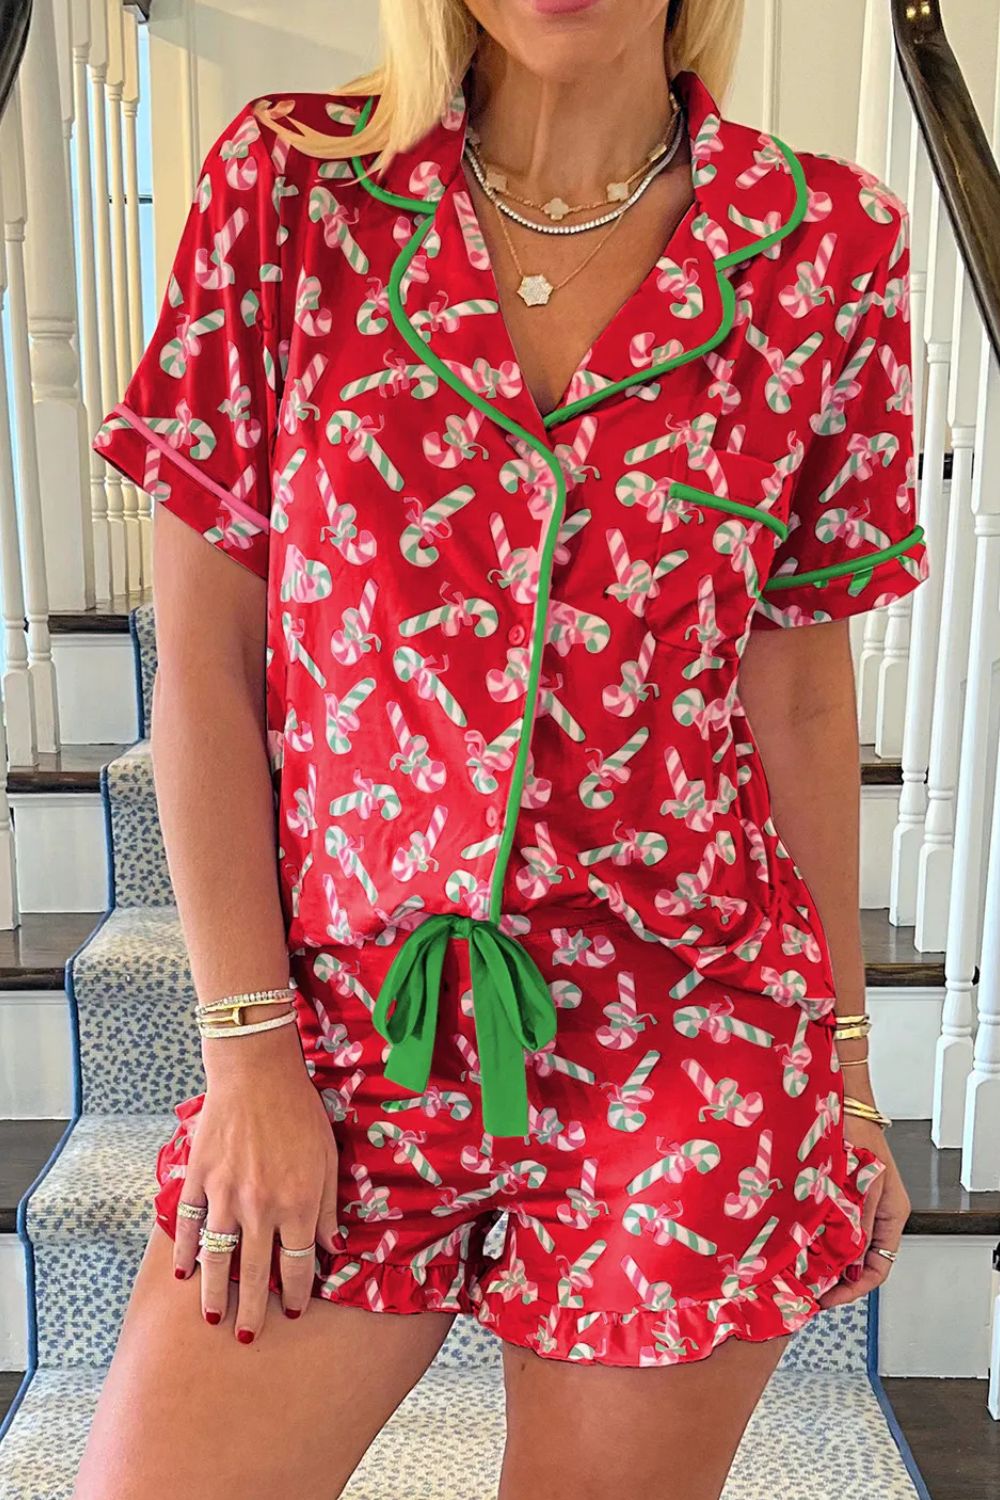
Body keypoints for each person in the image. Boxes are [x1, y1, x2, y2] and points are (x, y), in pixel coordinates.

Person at [76, 0, 926, 1495]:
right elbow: (207, 671)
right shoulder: (291, 190)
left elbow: (796, 697)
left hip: (684, 1032)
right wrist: (249, 1053)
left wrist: (847, 1071)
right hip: (345, 1022)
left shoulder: (823, 250)